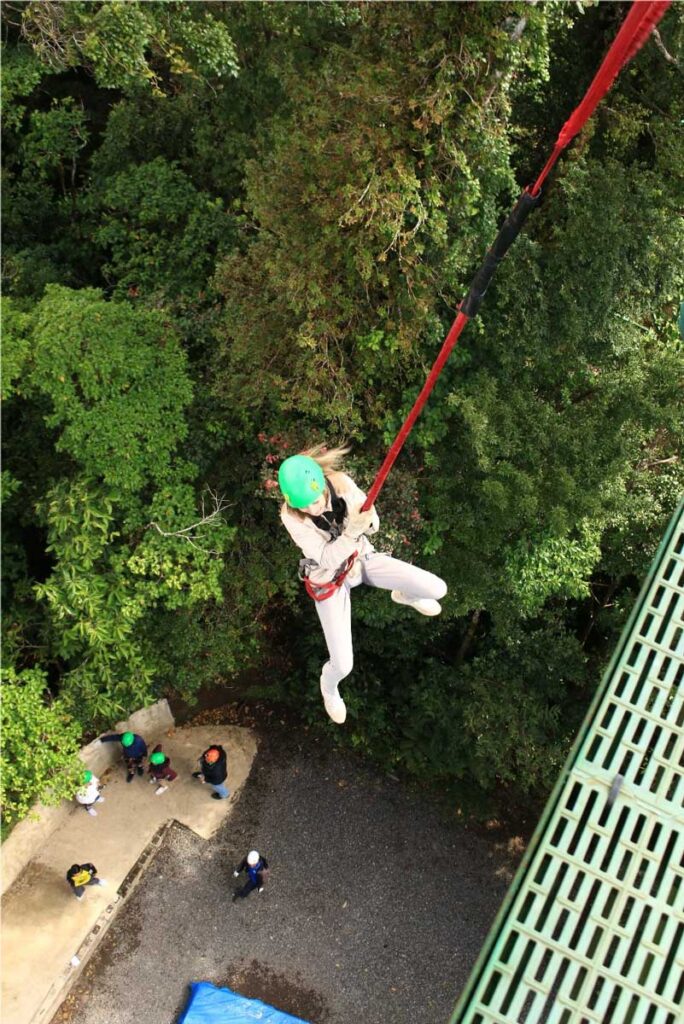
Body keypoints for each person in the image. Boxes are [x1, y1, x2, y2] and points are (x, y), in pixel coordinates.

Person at [278, 445, 447, 724]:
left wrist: (367, 520)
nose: (311, 508)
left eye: (314, 500)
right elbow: (326, 558)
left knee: (437, 589)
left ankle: (406, 595)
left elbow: (371, 521)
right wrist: (354, 531)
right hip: (330, 580)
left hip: (361, 559)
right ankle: (328, 688)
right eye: (304, 505)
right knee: (343, 664)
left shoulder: (341, 483)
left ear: (320, 483)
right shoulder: (291, 516)